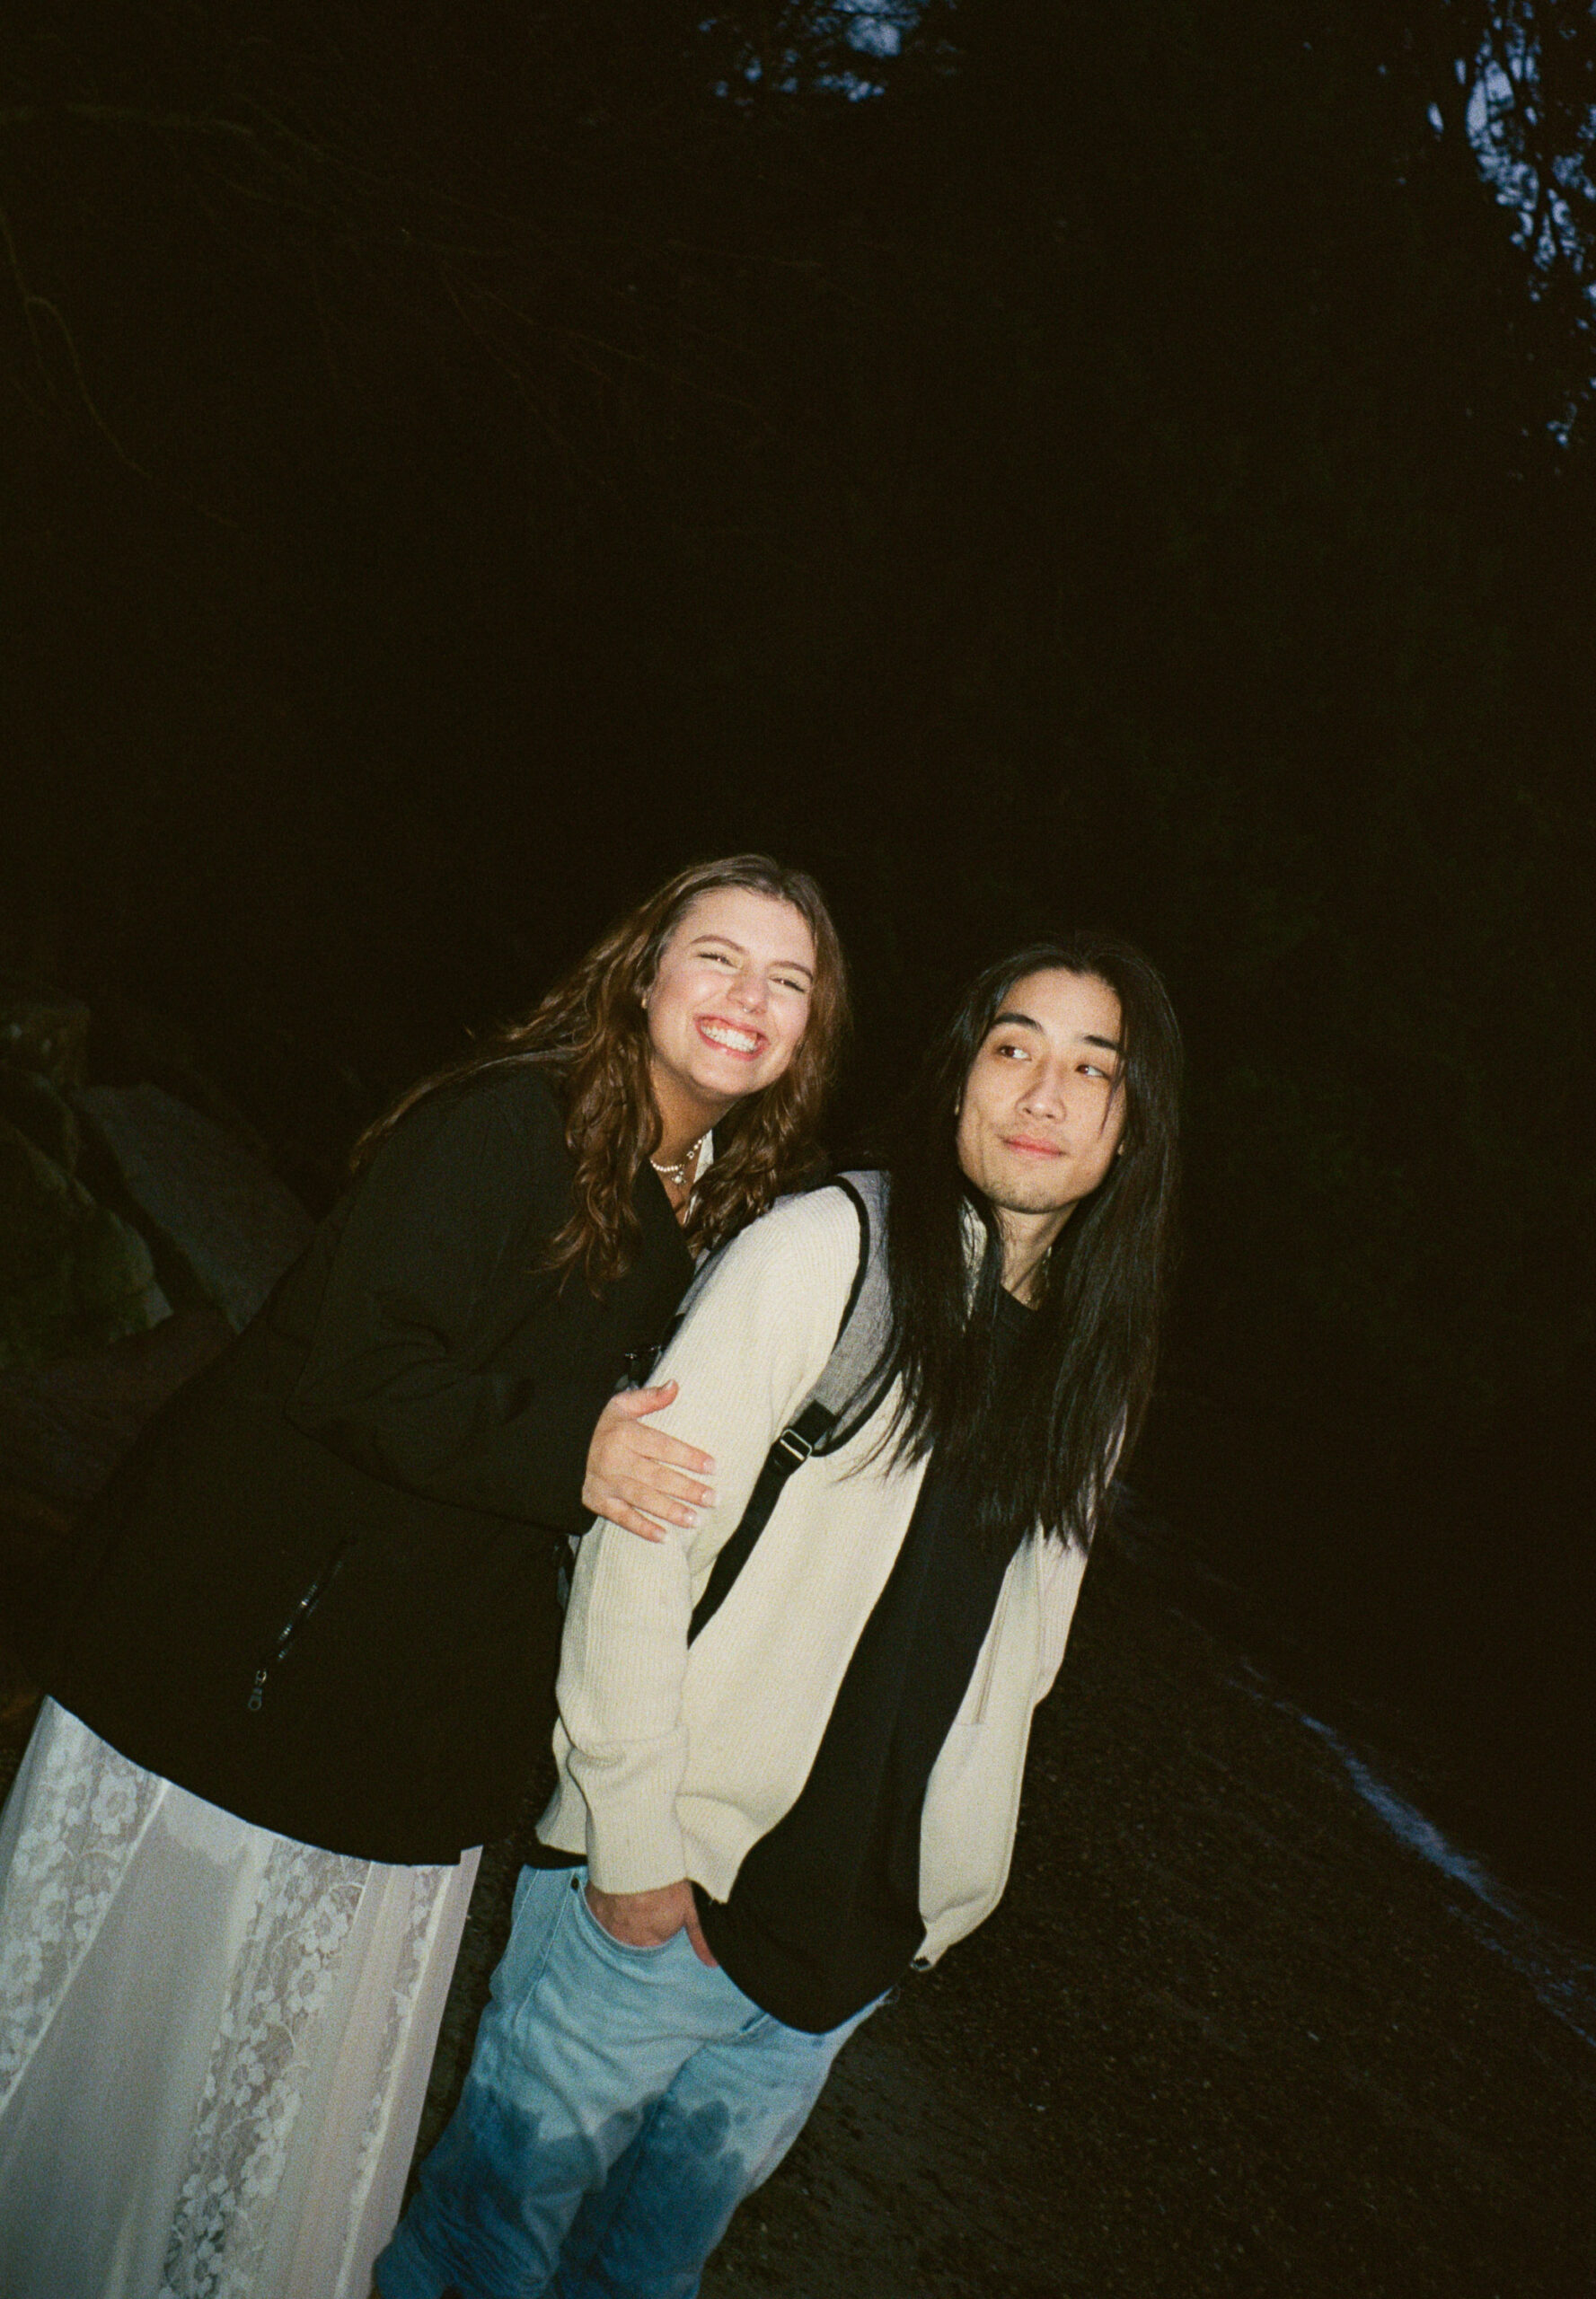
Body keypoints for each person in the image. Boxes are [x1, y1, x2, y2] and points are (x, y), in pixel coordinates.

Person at [0, 855, 848, 2299]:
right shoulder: (508, 1122)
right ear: (642, 975)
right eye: (716, 958)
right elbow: (359, 1365)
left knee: (266, 2068)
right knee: (140, 2030)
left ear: (807, 1036)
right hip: (253, 1654)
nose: (743, 999)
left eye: (786, 981)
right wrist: (569, 1450)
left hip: (408, 1688)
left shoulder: (712, 1202)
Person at [376, 932, 1182, 2299]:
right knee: (479, 2259)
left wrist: (942, 1900)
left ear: (1130, 1130)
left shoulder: (1092, 1372)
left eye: (1090, 1070)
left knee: (644, 2279)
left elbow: (1022, 1658)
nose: (1043, 1094)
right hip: (667, 1893)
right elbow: (643, 1546)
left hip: (838, 1952)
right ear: (956, 1085)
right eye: (1013, 1050)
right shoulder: (832, 1251)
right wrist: (632, 1844)